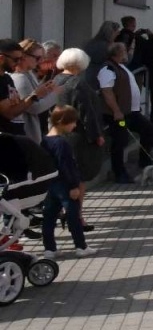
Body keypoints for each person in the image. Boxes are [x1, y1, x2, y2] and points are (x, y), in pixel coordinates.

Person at [98, 42, 153, 183]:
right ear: (117, 53)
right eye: (125, 50)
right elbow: (107, 92)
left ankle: (145, 161)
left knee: (148, 129)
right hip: (118, 114)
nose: (128, 52)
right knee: (120, 140)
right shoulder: (107, 69)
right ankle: (119, 173)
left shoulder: (121, 66)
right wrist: (116, 111)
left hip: (131, 112)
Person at [39, 107, 92, 258]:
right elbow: (67, 166)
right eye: (72, 122)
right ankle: (81, 246)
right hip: (65, 185)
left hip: (50, 185)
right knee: (73, 216)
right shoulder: (62, 143)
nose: (74, 126)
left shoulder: (44, 141)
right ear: (63, 122)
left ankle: (50, 249)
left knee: (48, 217)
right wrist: (74, 186)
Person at [51, 48, 106, 188]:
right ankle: (76, 209)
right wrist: (96, 135)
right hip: (77, 134)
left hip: (56, 131)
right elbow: (86, 112)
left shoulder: (55, 80)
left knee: (61, 173)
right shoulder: (78, 83)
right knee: (78, 175)